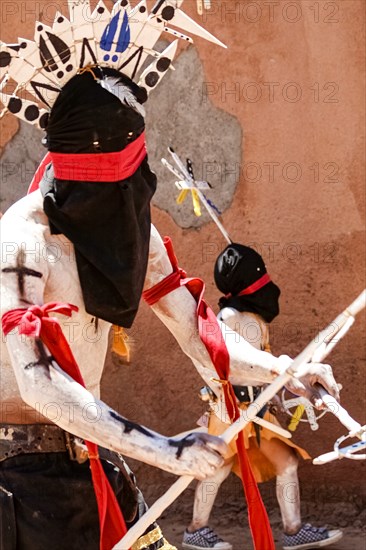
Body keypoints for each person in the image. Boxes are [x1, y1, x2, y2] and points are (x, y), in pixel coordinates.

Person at [0, 4, 340, 549]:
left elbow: (200, 335)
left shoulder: (133, 232)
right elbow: (37, 381)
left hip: (93, 464)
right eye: (109, 188)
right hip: (16, 486)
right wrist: (161, 448)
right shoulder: (24, 239)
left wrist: (282, 371)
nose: (123, 202)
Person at [182, 243, 343, 550]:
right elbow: (222, 363)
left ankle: (294, 530)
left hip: (260, 411)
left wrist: (294, 393)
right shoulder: (227, 317)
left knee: (287, 461)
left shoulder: (257, 321)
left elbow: (267, 366)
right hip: (230, 409)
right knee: (218, 466)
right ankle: (195, 530)